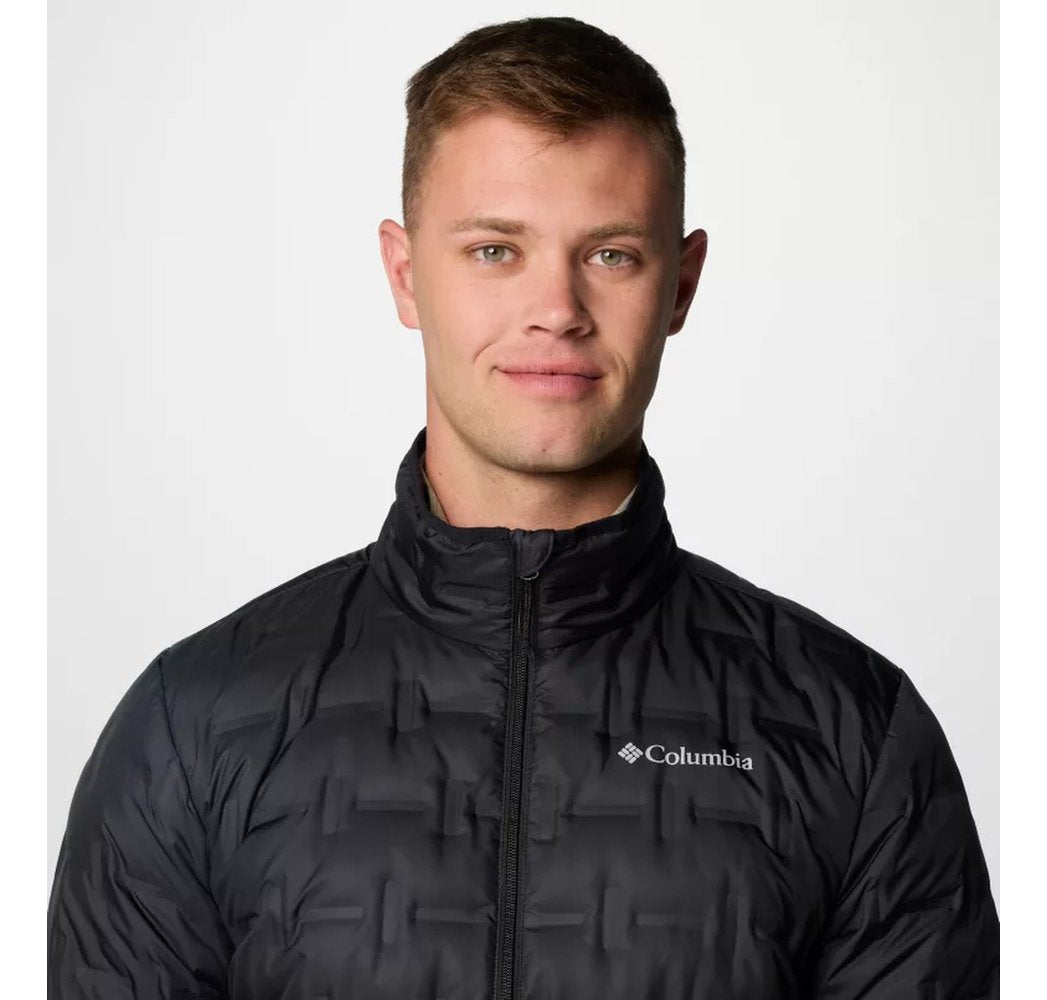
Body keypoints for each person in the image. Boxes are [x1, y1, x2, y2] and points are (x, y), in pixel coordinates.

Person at [48, 15, 999, 999]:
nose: (557, 309)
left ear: (681, 283)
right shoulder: (194, 727)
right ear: (405, 274)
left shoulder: (852, 732)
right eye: (496, 250)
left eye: (612, 255)